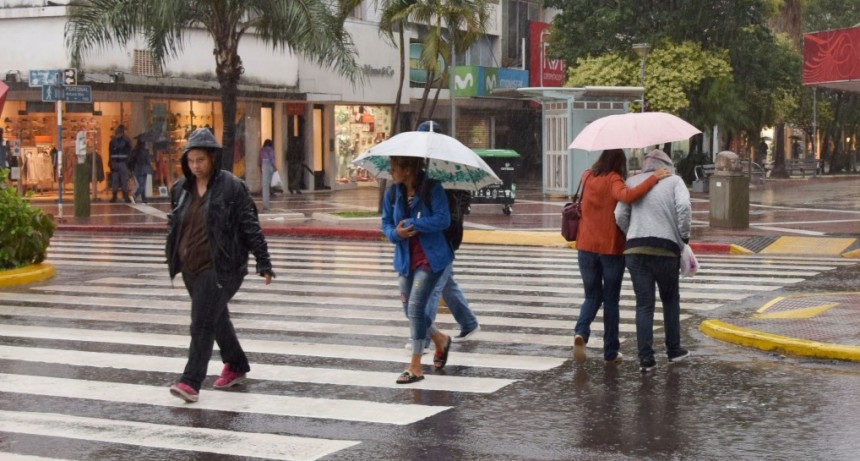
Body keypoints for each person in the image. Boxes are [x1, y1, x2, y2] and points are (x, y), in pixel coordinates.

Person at [165, 128, 276, 403]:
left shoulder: (231, 187)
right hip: (191, 266)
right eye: (191, 161)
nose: (196, 166)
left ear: (213, 158)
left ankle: (191, 382)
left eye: (200, 160)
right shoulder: (181, 188)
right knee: (216, 318)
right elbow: (176, 223)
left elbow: (250, 226)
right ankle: (236, 364)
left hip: (223, 267)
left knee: (201, 323)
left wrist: (264, 260)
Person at [572, 149, 671, 365]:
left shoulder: (587, 176)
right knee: (611, 301)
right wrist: (653, 178)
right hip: (610, 249)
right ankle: (610, 352)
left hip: (585, 247)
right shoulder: (613, 179)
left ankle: (581, 332)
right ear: (619, 162)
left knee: (591, 296)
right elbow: (627, 196)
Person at [614, 149, 692, 373]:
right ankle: (673, 350)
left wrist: (633, 233)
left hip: (636, 250)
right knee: (670, 299)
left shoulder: (631, 182)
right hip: (666, 250)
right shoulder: (675, 181)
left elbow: (619, 215)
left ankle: (646, 359)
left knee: (644, 304)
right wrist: (683, 236)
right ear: (667, 165)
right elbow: (684, 208)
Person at [382, 156, 453, 384]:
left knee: (415, 307)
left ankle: (415, 365)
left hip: (430, 260)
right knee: (410, 311)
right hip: (405, 260)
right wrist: (396, 234)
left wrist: (415, 224)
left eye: (395, 168)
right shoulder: (393, 194)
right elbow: (386, 224)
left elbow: (444, 219)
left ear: (408, 169)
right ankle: (440, 339)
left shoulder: (432, 189)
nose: (391, 172)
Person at [108, 125, 133, 203]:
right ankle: (125, 196)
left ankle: (115, 196)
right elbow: (129, 152)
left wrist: (111, 162)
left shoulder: (112, 141)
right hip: (122, 163)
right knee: (123, 180)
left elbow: (110, 153)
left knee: (116, 180)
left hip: (116, 162)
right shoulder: (126, 141)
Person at [131, 137, 153, 203]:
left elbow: (132, 160)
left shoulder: (134, 151)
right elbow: (148, 161)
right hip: (144, 169)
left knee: (141, 184)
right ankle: (135, 195)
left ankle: (144, 198)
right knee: (143, 185)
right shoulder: (145, 151)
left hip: (137, 169)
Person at [258, 139, 275, 212]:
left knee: (265, 186)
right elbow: (272, 160)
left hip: (264, 166)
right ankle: (267, 205)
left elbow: (259, 161)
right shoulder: (271, 150)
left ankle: (266, 205)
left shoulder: (262, 151)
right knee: (267, 185)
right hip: (269, 166)